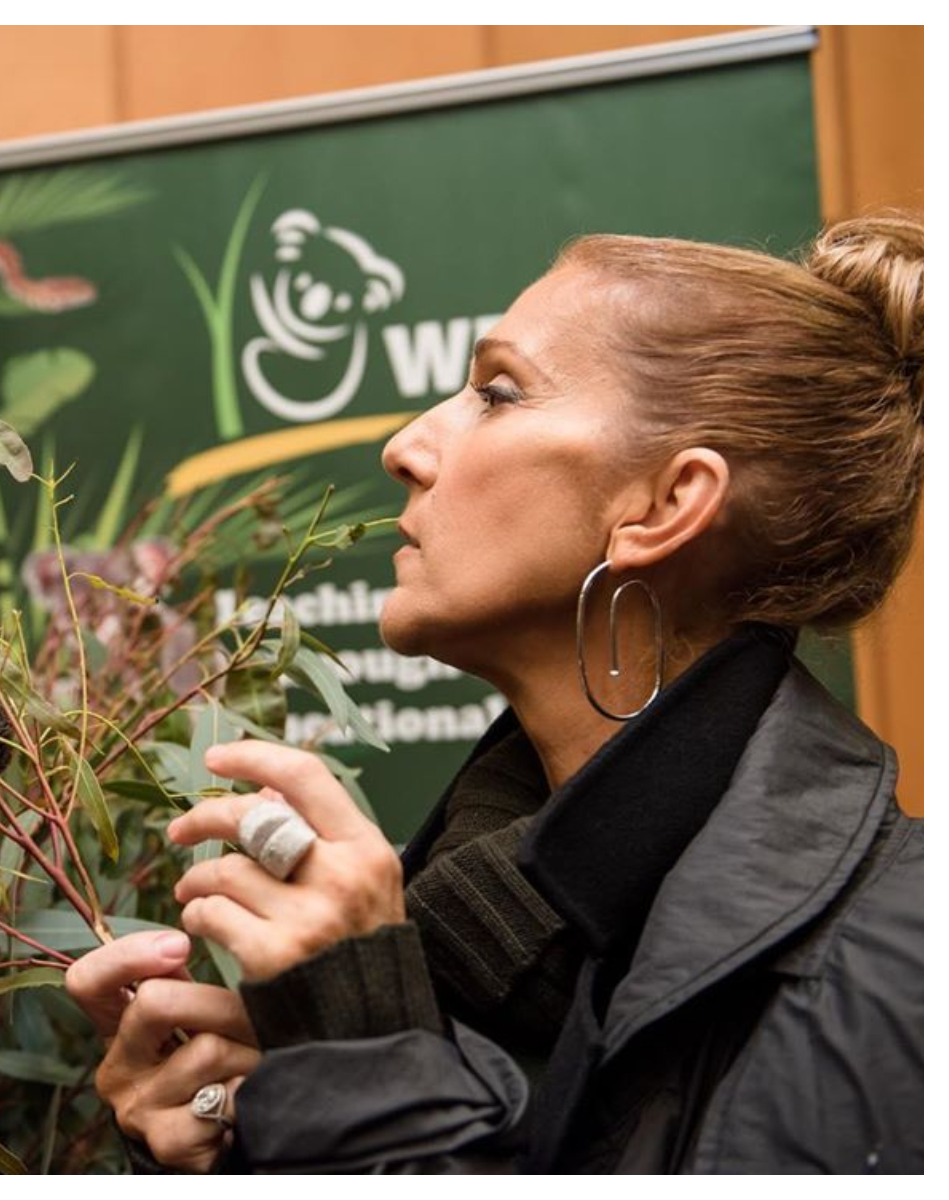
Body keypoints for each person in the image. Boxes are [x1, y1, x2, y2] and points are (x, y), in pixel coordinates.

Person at [65, 215, 924, 1173]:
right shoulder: (470, 926)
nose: (404, 445)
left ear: (667, 504)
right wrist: (239, 1145)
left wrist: (364, 1067)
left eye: (497, 393)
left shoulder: (901, 973)